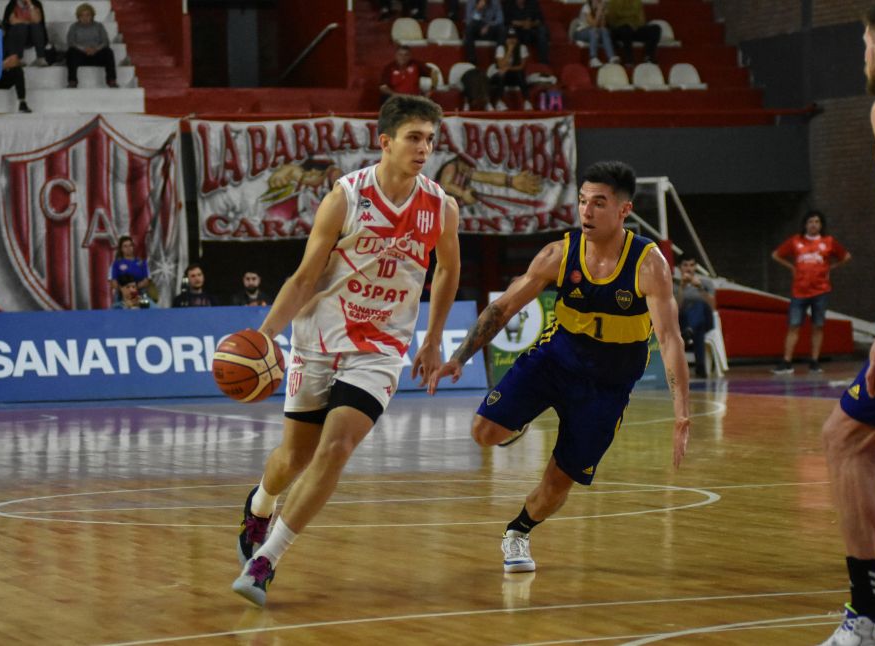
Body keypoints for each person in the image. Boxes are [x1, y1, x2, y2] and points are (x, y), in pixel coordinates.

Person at [230, 94, 461, 607]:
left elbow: (448, 268)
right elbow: (304, 277)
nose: (424, 149)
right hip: (318, 337)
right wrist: (266, 336)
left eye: (430, 140)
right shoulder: (346, 197)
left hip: (380, 347)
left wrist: (432, 338)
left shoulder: (441, 206)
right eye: (414, 138)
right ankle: (261, 502)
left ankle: (267, 560)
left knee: (336, 449)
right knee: (294, 457)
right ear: (386, 142)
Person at [428, 160, 690, 574]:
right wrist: (459, 357)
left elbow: (670, 339)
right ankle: (520, 420)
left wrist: (681, 413)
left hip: (609, 385)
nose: (586, 211)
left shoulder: (648, 264)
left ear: (624, 210)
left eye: (599, 203)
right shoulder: (559, 253)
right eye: (583, 201)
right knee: (483, 432)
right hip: (556, 359)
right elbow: (503, 307)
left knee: (557, 483)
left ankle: (518, 531)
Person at [818, 4, 875, 644]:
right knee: (849, 437)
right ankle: (871, 615)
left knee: (845, 440)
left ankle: (870, 618)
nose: (864, 55)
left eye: (864, 44)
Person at [771, 210, 851, 374]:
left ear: (821, 225)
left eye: (816, 222)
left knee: (818, 325)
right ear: (805, 225)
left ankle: (814, 361)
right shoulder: (796, 241)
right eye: (810, 222)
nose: (813, 225)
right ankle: (787, 361)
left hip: (821, 290)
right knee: (793, 325)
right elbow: (776, 255)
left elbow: (846, 256)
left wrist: (831, 268)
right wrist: (792, 267)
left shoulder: (828, 242)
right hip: (799, 291)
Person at [673, 254, 716, 379]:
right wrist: (681, 288)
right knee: (698, 329)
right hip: (683, 321)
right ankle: (700, 367)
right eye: (685, 265)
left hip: (706, 319)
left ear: (696, 267)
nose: (689, 268)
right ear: (679, 267)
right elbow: (676, 308)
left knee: (699, 305)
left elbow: (712, 306)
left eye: (692, 265)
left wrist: (700, 287)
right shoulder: (674, 284)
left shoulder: (706, 283)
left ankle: (689, 331)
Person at [66, 3, 118, 88]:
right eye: (82, 15)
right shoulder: (74, 27)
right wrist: (84, 49)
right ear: (78, 17)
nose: (85, 18)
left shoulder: (99, 26)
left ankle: (111, 80)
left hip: (96, 54)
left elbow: (105, 42)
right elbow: (71, 42)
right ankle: (72, 81)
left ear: (92, 16)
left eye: (87, 15)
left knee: (108, 52)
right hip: (80, 55)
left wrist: (95, 49)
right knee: (71, 52)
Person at [605, 0, 661, 66]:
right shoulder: (614, 2)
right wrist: (626, 23)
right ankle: (629, 60)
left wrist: (634, 26)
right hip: (619, 29)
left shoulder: (637, 2)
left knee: (656, 29)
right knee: (626, 29)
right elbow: (612, 21)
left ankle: (649, 57)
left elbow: (641, 20)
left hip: (634, 28)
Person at [490, 28, 533, 110]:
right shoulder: (501, 48)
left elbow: (521, 67)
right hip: (500, 75)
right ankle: (499, 102)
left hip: (514, 75)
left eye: (514, 38)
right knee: (501, 75)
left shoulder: (522, 48)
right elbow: (501, 66)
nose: (511, 40)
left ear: (517, 39)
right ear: (506, 39)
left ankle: (527, 101)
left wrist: (508, 68)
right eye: (509, 38)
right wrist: (509, 50)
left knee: (520, 74)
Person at [569, 0, 619, 68]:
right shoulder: (586, 7)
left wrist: (602, 14)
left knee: (605, 30)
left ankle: (611, 57)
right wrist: (598, 13)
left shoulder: (600, 8)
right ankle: (593, 58)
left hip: (593, 32)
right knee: (593, 31)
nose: (598, 1)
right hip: (580, 32)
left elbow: (603, 26)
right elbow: (593, 25)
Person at [2, 0, 50, 67]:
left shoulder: (36, 4)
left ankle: (41, 58)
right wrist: (28, 22)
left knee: (36, 26)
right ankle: (18, 58)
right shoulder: (12, 4)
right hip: (15, 36)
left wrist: (30, 5)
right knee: (21, 27)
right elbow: (13, 21)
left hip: (32, 36)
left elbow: (37, 20)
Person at [504, 0, 550, 64]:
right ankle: (513, 62)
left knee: (542, 30)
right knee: (509, 31)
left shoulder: (533, 3)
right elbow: (507, 21)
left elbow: (539, 20)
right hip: (516, 30)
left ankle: (543, 62)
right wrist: (522, 23)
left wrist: (531, 24)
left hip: (531, 30)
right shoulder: (508, 3)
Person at [108, 235, 151, 302]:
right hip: (121, 295)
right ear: (121, 249)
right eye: (125, 246)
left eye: (130, 245)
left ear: (133, 247)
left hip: (141, 293)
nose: (128, 248)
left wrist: (133, 288)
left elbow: (147, 281)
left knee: (150, 305)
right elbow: (113, 283)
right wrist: (125, 290)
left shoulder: (142, 262)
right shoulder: (115, 264)